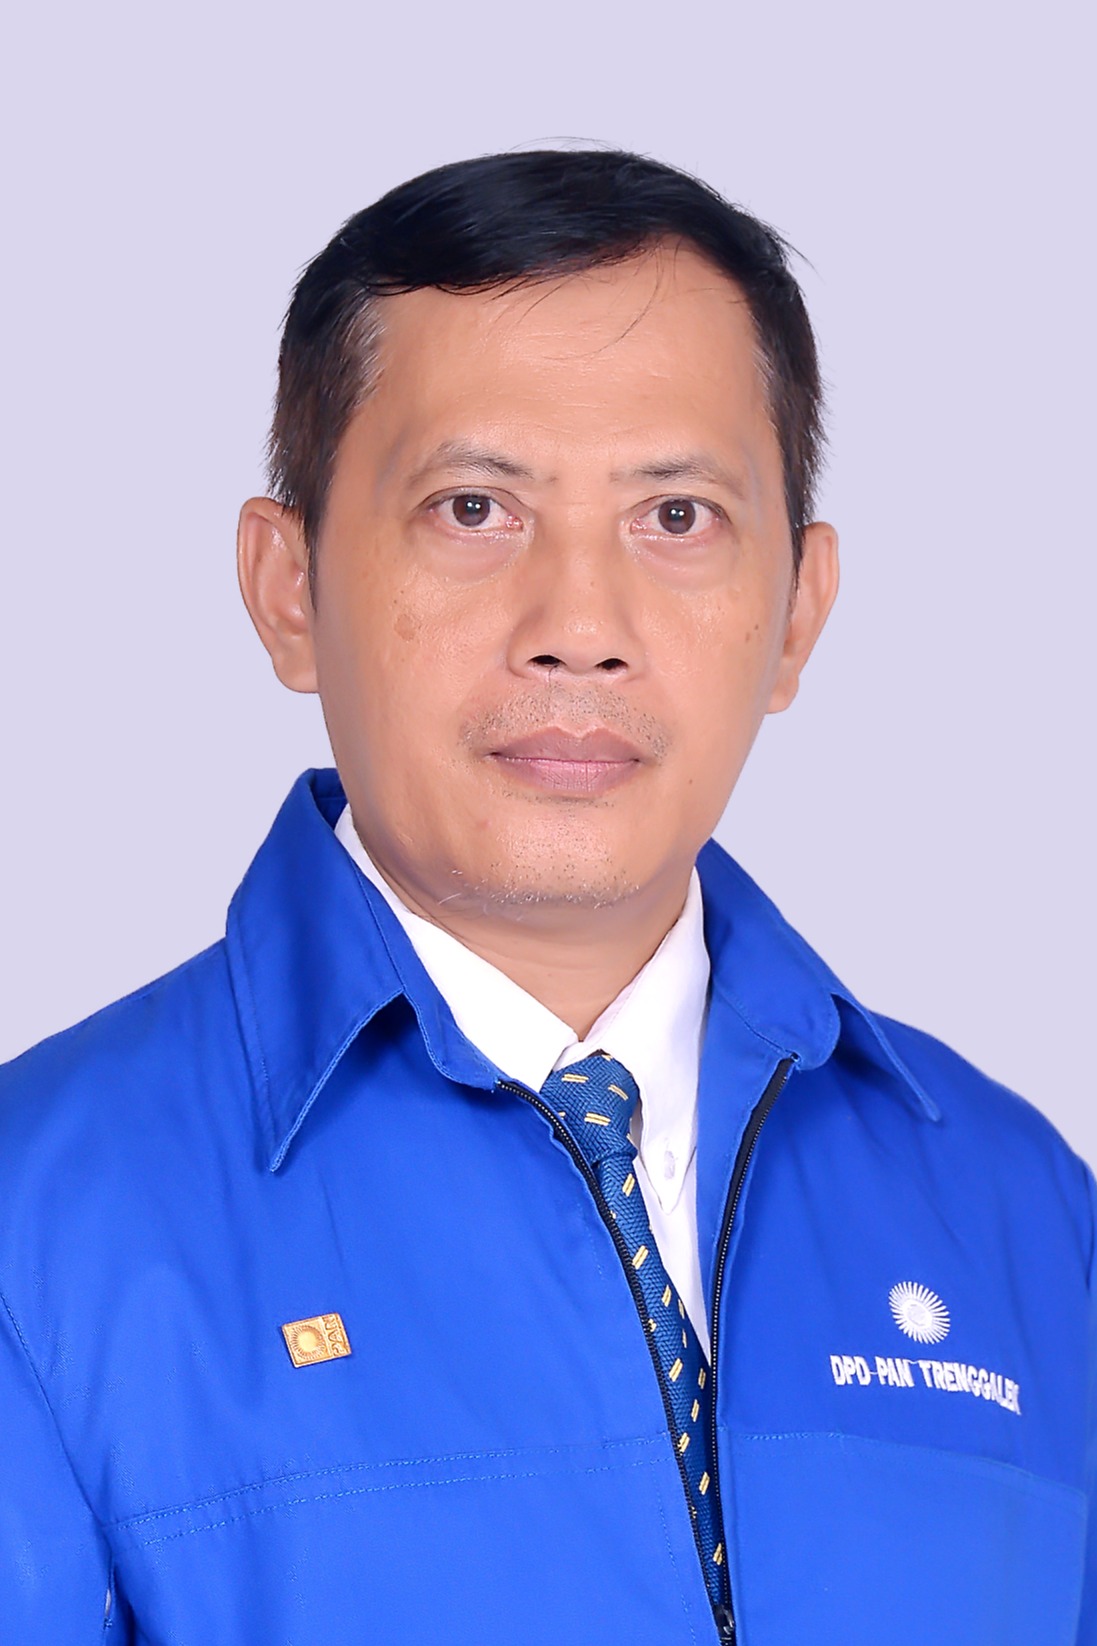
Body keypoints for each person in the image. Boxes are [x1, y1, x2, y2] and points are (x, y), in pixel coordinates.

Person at [0, 149, 1092, 1646]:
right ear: (286, 586)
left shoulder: (1021, 1206)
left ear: (797, 610)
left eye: (677, 517)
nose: (580, 626)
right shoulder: (37, 1222)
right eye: (473, 507)